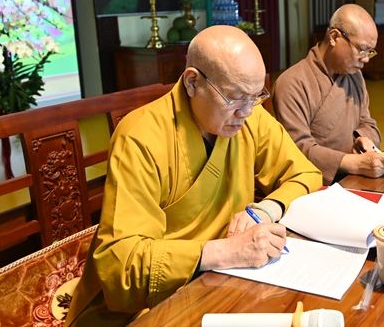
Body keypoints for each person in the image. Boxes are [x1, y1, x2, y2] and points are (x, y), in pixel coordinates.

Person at [65, 26, 322, 326]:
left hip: (221, 281)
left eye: (256, 97)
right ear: (192, 82)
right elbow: (122, 265)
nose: (247, 112)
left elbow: (306, 173)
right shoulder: (140, 137)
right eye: (235, 97)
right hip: (147, 306)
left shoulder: (248, 117)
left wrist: (267, 209)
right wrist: (225, 252)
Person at [272, 4, 384, 187]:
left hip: (354, 177)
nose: (366, 59)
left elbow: (367, 122)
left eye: (370, 52)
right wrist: (354, 163)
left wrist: (364, 140)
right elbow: (297, 148)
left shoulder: (355, 76)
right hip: (312, 183)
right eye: (361, 50)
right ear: (334, 37)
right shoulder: (292, 83)